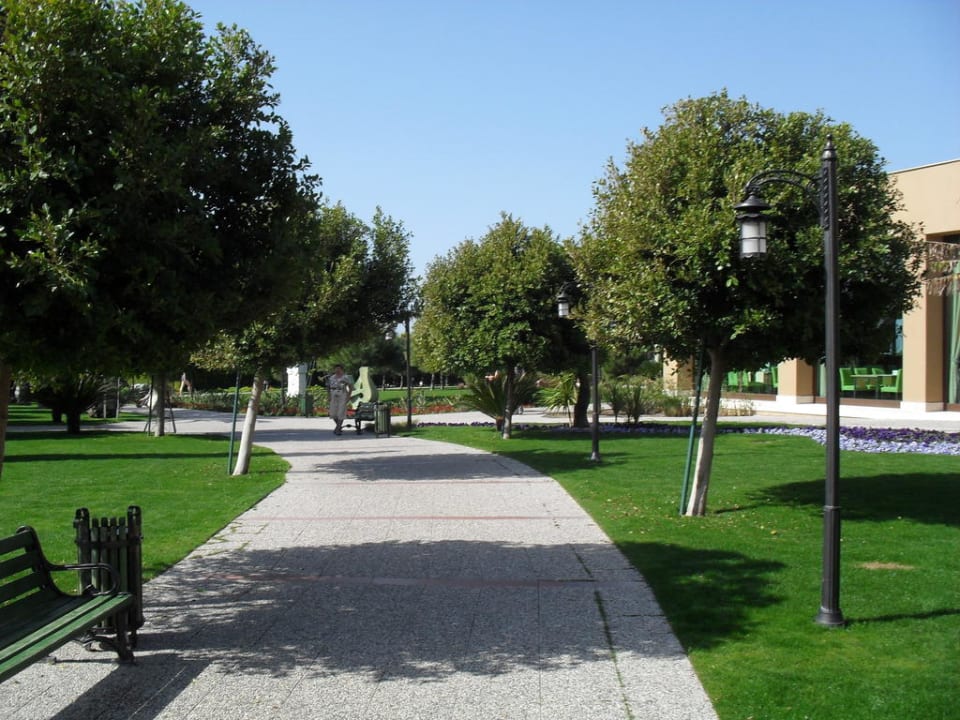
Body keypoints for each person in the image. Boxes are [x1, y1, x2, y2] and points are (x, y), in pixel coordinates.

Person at [326, 364, 354, 435]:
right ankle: (339, 427)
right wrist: (328, 395)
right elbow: (328, 387)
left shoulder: (346, 377)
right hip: (333, 394)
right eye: (336, 369)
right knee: (333, 413)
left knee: (341, 412)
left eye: (339, 369)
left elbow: (351, 387)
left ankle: (337, 429)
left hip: (342, 394)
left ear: (342, 369)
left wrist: (348, 396)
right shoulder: (331, 377)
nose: (337, 370)